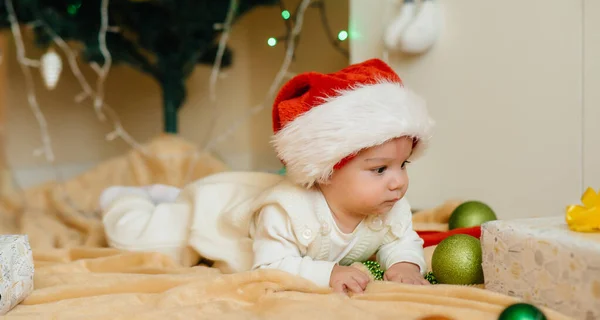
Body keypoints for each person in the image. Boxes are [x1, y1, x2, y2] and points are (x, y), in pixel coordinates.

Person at [100, 58, 435, 294]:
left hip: (245, 192)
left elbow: (401, 239)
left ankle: (167, 195)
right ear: (326, 170)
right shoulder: (286, 211)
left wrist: (405, 264)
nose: (398, 182)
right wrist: (327, 272)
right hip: (212, 213)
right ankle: (127, 199)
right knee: (141, 239)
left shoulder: (389, 204)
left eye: (402, 165)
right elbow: (269, 266)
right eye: (380, 169)